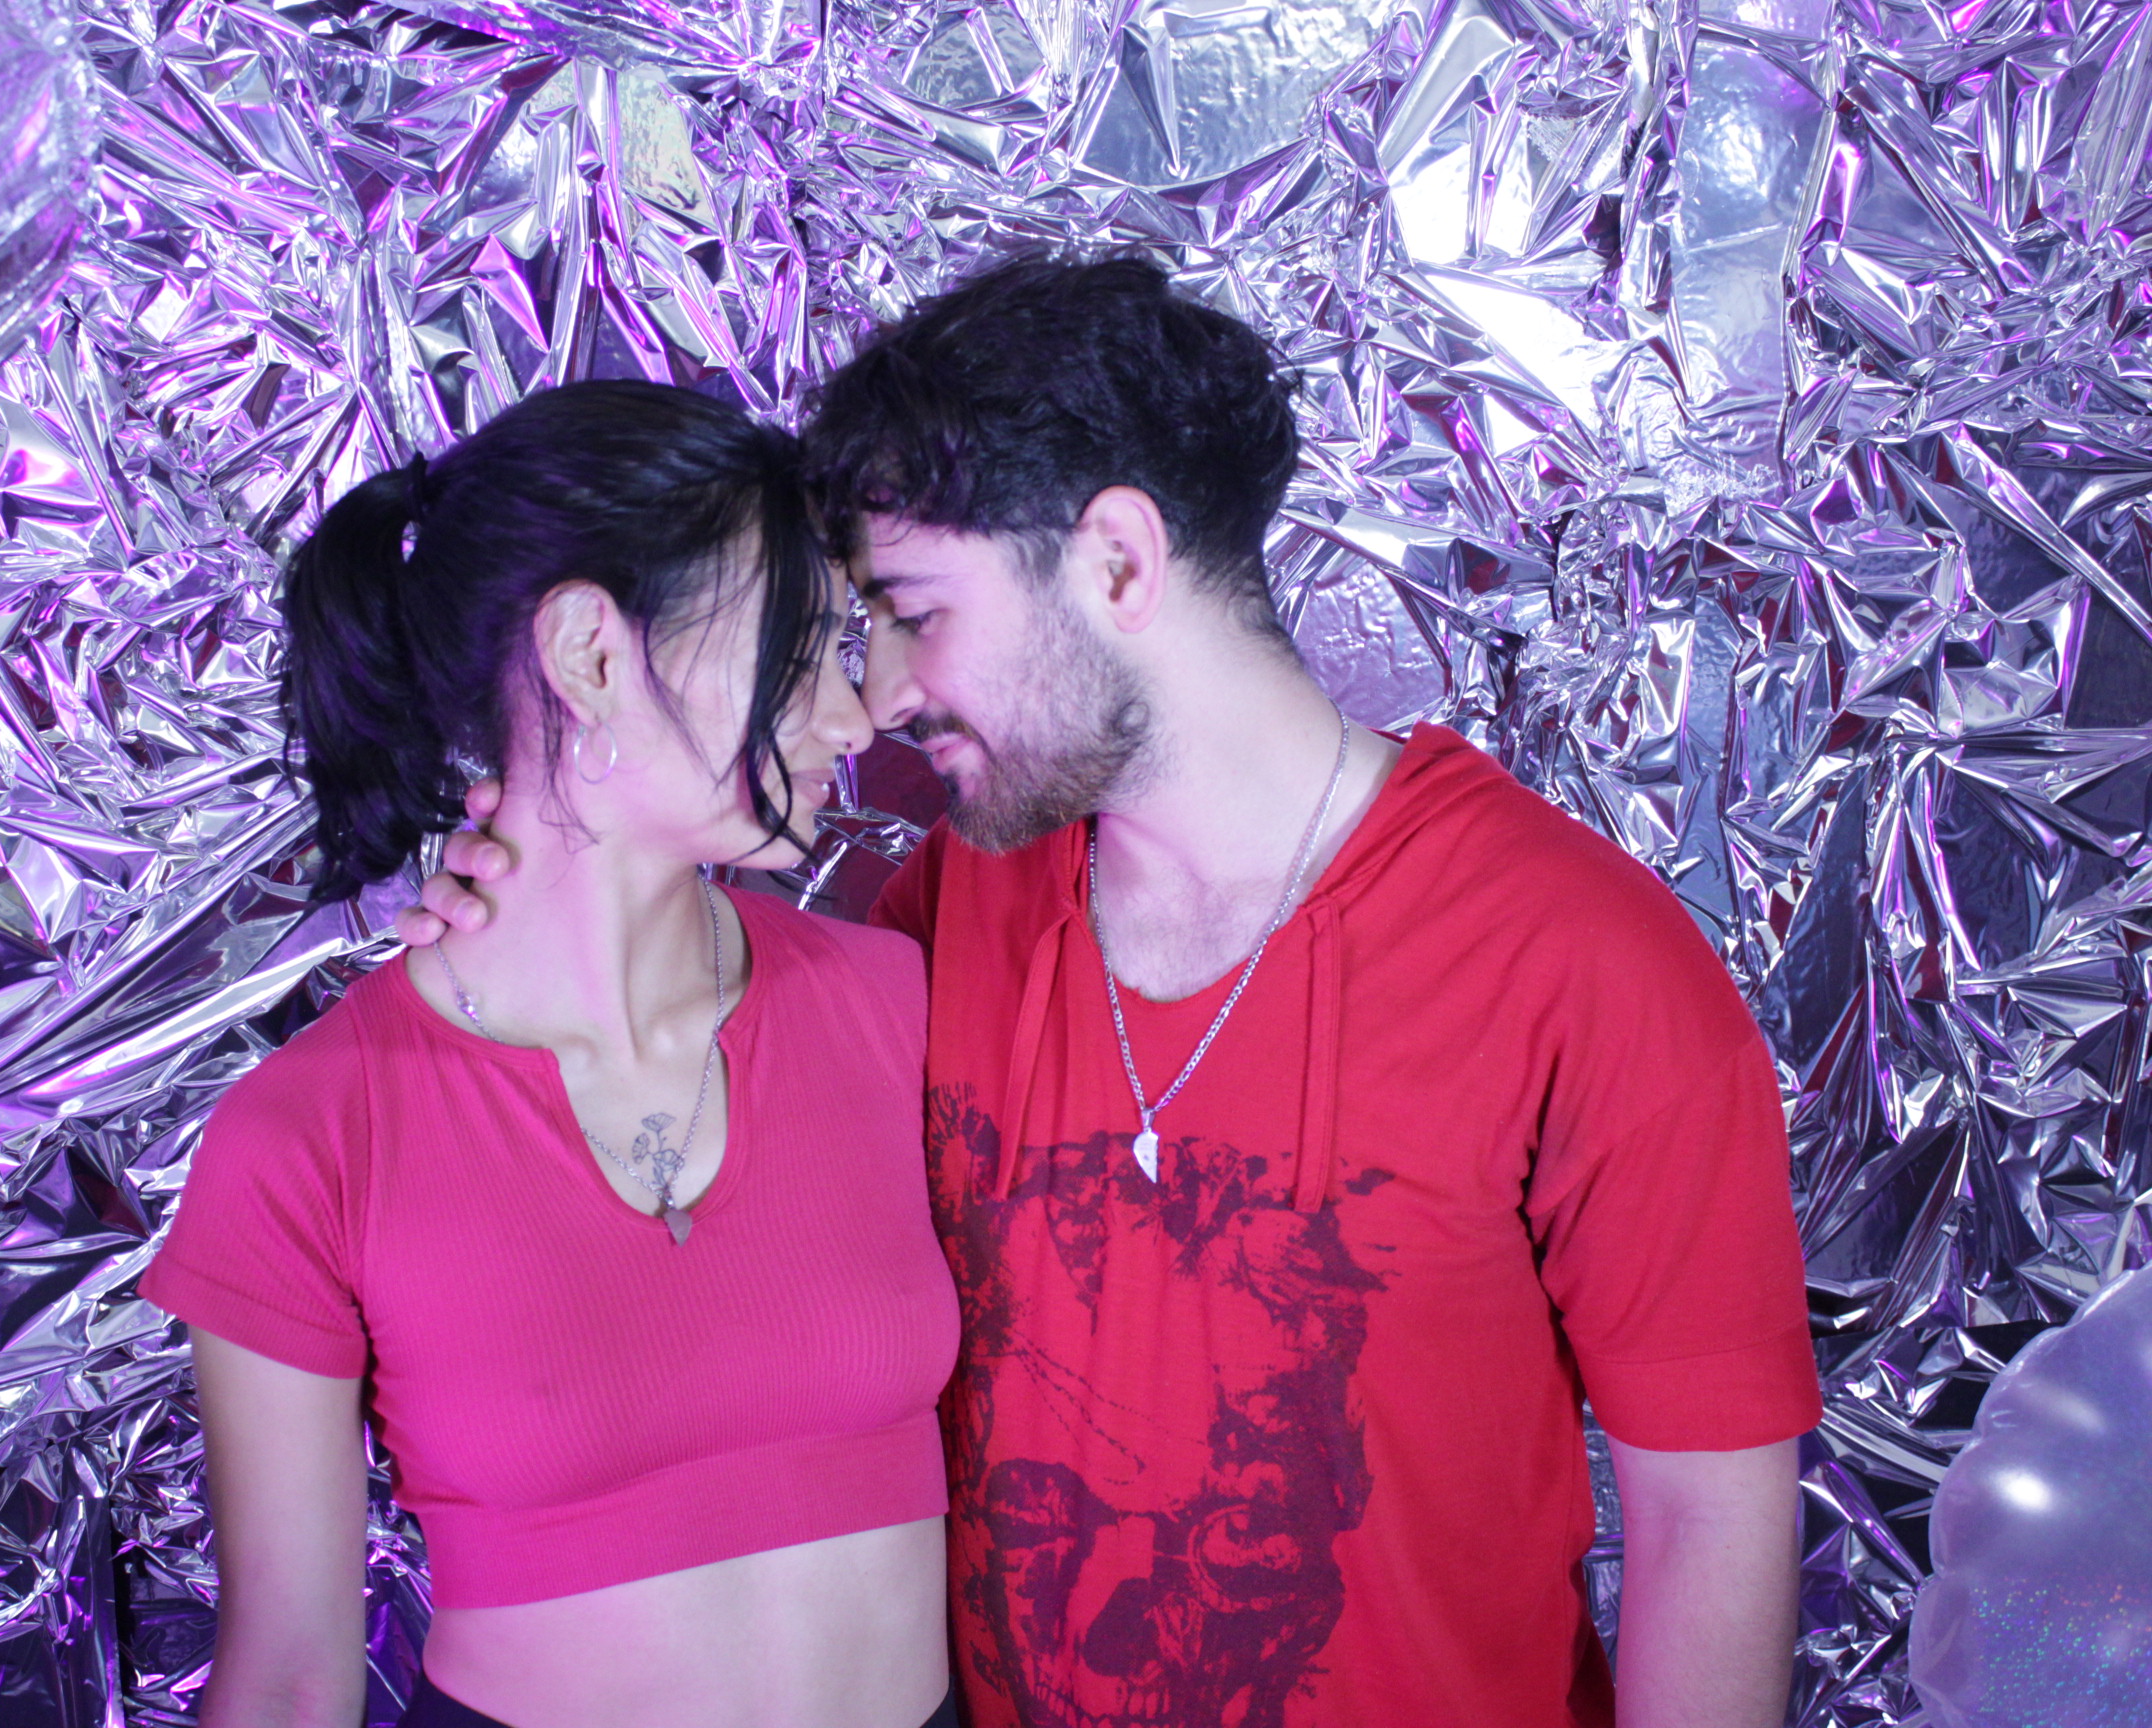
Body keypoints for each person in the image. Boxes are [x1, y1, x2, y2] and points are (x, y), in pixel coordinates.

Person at [401, 257, 1824, 1728]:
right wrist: (514, 905)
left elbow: (1708, 1520)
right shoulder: (952, 910)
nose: (878, 696)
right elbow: (689, 1153)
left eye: (913, 611)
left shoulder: (1584, 963)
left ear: (1120, 566)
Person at [140, 380, 964, 1728]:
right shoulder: (309, 1138)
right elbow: (289, 1677)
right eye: (802, 646)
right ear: (589, 654)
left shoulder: (897, 1005)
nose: (854, 716)